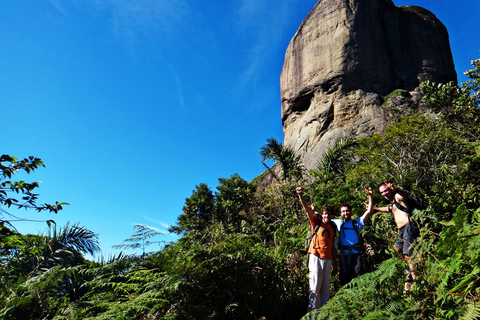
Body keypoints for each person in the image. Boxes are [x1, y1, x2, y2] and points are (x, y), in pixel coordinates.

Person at [372, 180, 419, 291]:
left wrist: (396, 189)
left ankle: (415, 281)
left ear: (390, 189)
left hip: (409, 227)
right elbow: (387, 209)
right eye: (382, 192)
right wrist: (373, 208)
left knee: (408, 255)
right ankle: (409, 270)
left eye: (385, 191)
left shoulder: (397, 196)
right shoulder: (393, 202)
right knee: (397, 248)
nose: (384, 194)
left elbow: (405, 195)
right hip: (402, 231)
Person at [296, 187, 337, 311]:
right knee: (314, 287)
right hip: (316, 256)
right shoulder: (316, 222)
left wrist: (335, 264)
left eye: (329, 214)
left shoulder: (333, 228)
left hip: (328, 259)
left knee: (325, 289)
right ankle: (312, 314)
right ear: (322, 214)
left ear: (332, 215)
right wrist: (300, 195)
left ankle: (323, 313)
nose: (327, 216)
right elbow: (307, 210)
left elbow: (333, 246)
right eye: (325, 213)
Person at [334, 185, 374, 286]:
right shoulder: (338, 223)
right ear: (340, 213)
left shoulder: (357, 223)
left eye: (347, 211)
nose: (345, 213)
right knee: (344, 280)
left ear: (351, 212)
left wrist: (370, 196)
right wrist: (314, 211)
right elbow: (324, 219)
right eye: (343, 211)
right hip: (343, 255)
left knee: (358, 277)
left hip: (356, 255)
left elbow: (369, 211)